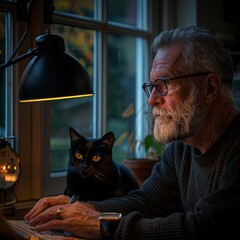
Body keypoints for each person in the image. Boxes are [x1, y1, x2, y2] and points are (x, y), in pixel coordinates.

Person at [24, 25, 240, 239]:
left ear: (209, 88)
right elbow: (147, 202)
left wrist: (105, 227)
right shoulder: (180, 149)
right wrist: (83, 208)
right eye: (152, 86)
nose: (152, 99)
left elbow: (205, 229)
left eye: (164, 83)